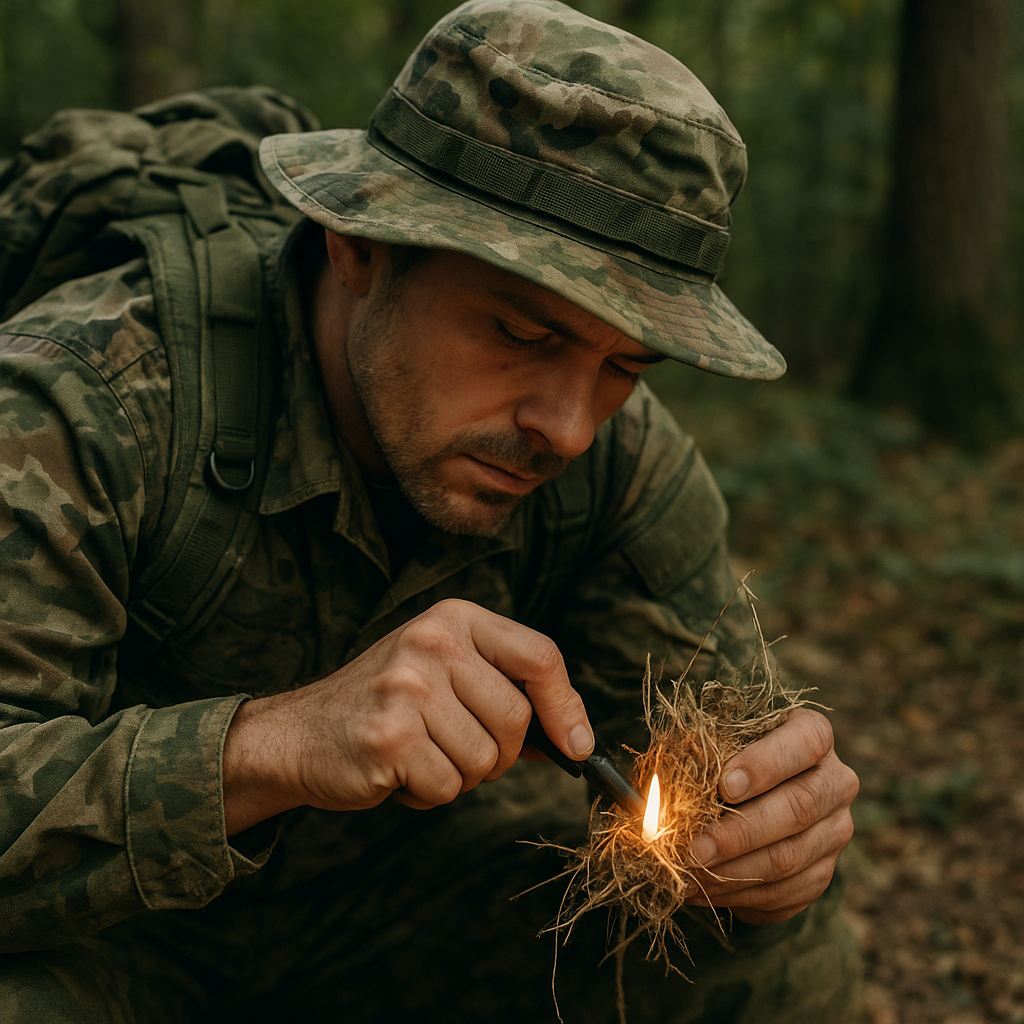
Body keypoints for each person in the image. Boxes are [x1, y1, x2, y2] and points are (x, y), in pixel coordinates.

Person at [0, 1, 861, 1021]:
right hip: (103, 939)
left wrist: (776, 830)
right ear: (357, 246)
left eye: (625, 365)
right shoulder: (85, 400)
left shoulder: (615, 464)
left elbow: (723, 762)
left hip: (384, 919)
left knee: (766, 957)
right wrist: (269, 745)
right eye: (517, 332)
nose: (568, 427)